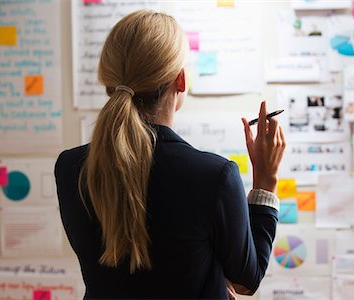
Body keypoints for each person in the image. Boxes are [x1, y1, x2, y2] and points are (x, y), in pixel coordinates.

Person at [55, 10, 286, 299]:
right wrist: (266, 182)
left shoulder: (69, 167)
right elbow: (246, 281)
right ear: (180, 81)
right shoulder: (213, 176)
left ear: (110, 83)